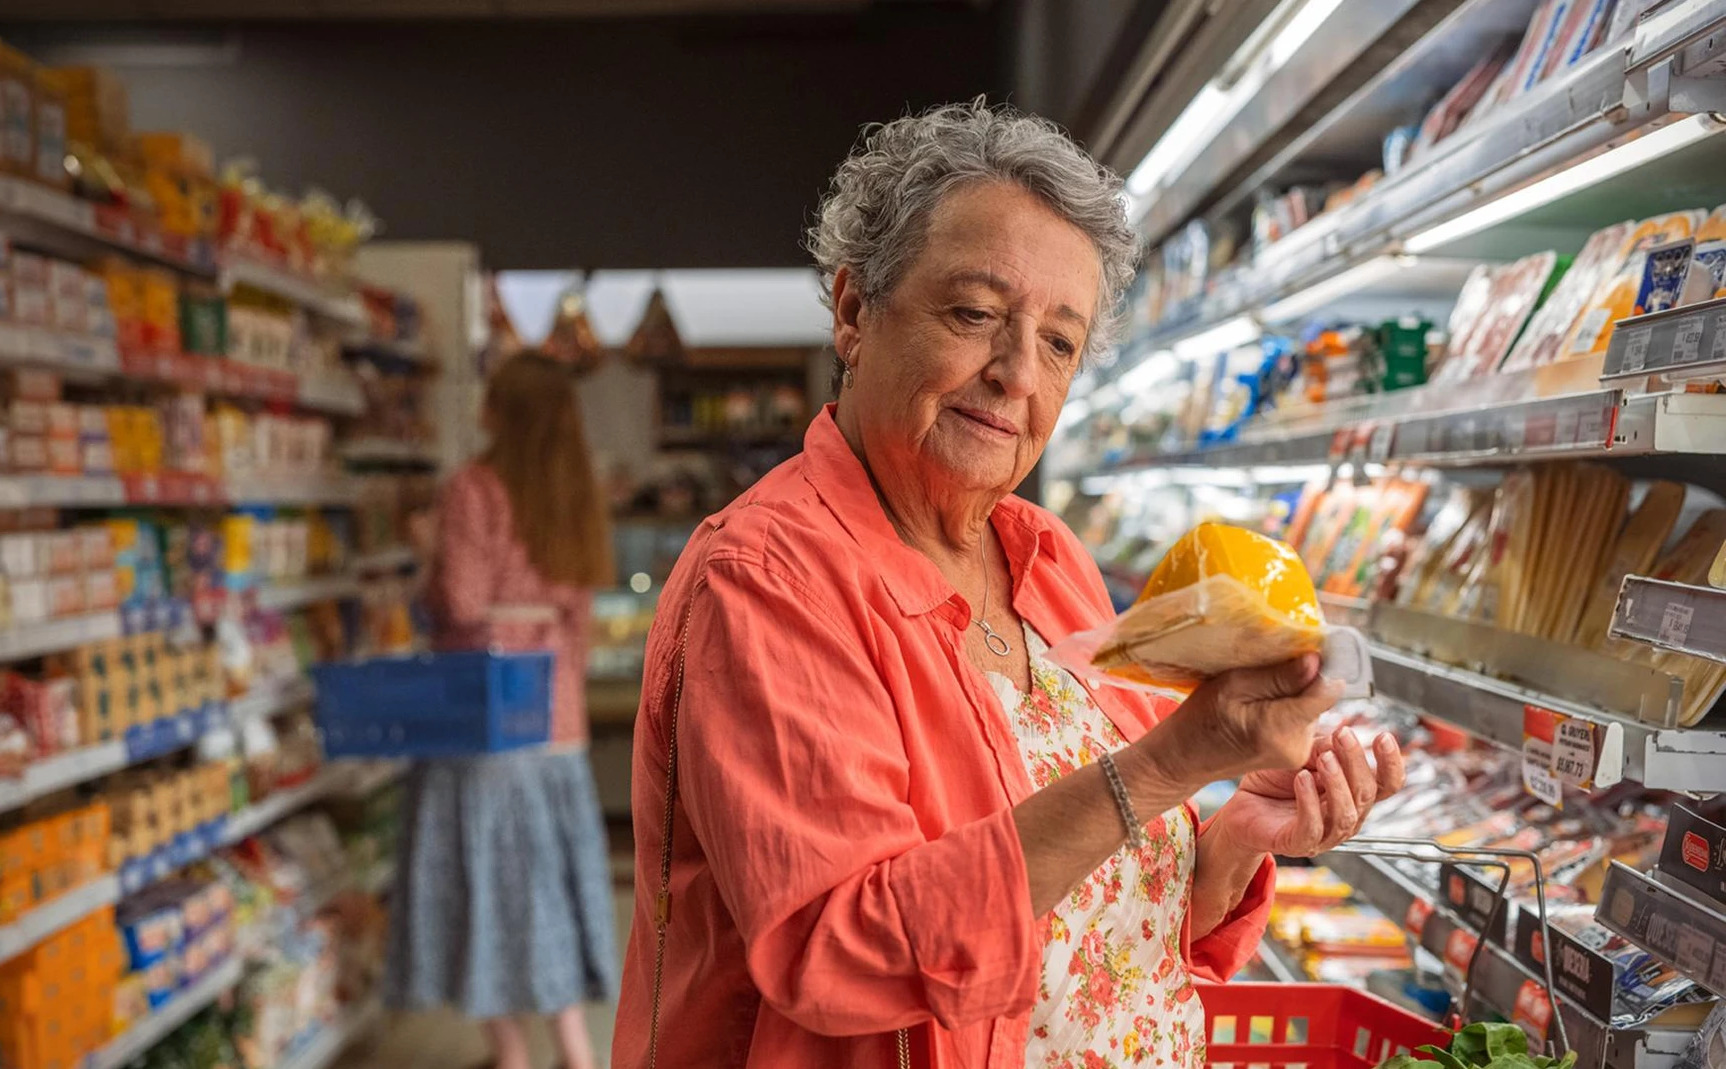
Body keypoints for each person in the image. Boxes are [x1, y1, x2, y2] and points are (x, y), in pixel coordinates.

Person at [611, 102, 1407, 1069]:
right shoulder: (770, 581)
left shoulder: (1050, 558)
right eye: (975, 315)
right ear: (855, 311)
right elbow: (836, 952)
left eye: (1060, 343)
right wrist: (1166, 762)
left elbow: (1101, 927)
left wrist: (1234, 829)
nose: (1017, 374)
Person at [391, 351, 618, 1069]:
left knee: (482, 894)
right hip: (556, 722)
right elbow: (578, 614)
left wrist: (427, 554)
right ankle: (579, 1050)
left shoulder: (473, 489)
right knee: (546, 893)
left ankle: (514, 1058)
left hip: (484, 722)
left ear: (501, 412)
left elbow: (458, 599)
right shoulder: (575, 494)